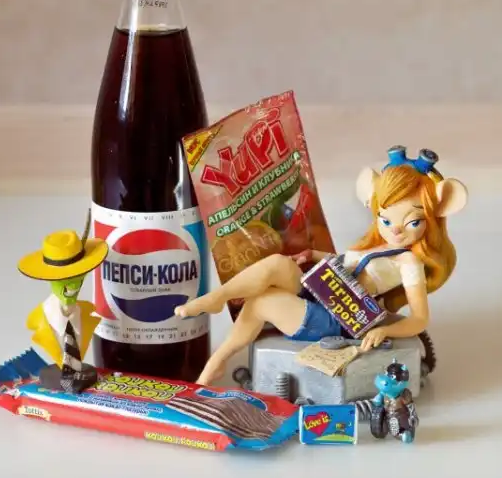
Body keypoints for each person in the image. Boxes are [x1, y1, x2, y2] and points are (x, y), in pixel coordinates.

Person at [175, 147, 468, 386]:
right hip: (323, 290)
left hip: (339, 318)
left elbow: (419, 320)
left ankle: (216, 363)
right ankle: (217, 298)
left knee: (262, 302)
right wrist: (314, 255)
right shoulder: (376, 245)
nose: (396, 230)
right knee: (277, 264)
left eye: (412, 222)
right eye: (386, 219)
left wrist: (385, 332)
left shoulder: (409, 261)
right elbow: (348, 267)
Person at [18, 210, 108, 393]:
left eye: (77, 277)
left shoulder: (87, 313)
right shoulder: (39, 319)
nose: (72, 286)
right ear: (49, 277)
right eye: (64, 279)